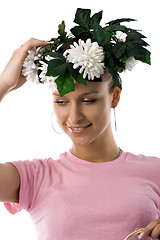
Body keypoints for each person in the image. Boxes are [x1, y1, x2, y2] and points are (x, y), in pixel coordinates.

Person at [0, 8, 160, 240]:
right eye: (61, 101)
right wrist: (4, 83)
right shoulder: (35, 177)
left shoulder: (155, 171)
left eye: (88, 100)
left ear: (114, 96)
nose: (74, 117)